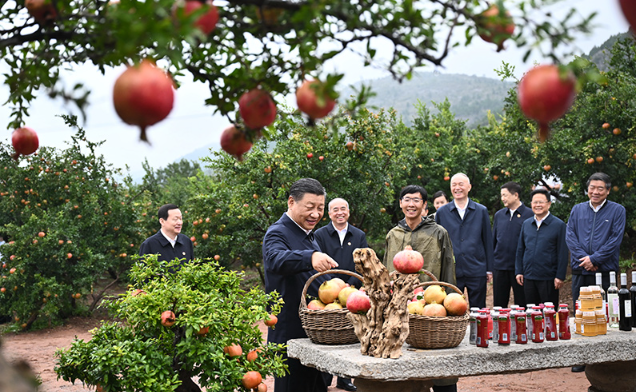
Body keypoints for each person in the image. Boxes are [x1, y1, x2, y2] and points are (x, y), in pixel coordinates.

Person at [262, 178, 338, 392]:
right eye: (310, 207)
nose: (315, 214)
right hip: (290, 334)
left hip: (313, 331)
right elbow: (276, 258)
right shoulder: (277, 232)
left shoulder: (309, 235)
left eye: (320, 208)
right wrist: (310, 257)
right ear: (291, 202)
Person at [384, 185, 456, 392]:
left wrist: (450, 303)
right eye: (407, 199)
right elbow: (387, 270)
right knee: (403, 365)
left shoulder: (438, 233)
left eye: (416, 200)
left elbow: (449, 268)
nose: (411, 204)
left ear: (425, 205)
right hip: (399, 308)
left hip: (431, 308)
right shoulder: (394, 234)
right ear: (400, 203)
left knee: (440, 365)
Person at [565, 173, 625, 373]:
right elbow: (570, 236)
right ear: (587, 189)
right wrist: (586, 260)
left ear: (607, 190)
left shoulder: (617, 210)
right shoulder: (577, 209)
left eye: (600, 188)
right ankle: (582, 356)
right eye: (592, 187)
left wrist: (596, 259)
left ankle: (606, 357)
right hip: (581, 269)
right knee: (581, 312)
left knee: (605, 312)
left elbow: (615, 240)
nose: (595, 192)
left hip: (605, 270)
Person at [315, 197, 367, 392]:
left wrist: (350, 285)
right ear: (329, 214)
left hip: (352, 291)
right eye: (335, 209)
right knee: (329, 333)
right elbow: (319, 264)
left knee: (348, 333)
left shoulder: (358, 234)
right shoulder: (320, 235)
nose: (339, 212)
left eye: (343, 209)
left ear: (348, 211)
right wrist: (334, 286)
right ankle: (325, 378)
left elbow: (363, 263)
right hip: (327, 291)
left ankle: (344, 378)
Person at [435, 173, 493, 309]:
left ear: (469, 187)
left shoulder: (481, 211)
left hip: (476, 267)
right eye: (454, 185)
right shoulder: (442, 212)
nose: (457, 188)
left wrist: (489, 269)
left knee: (478, 309)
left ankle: (477, 331)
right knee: (451, 307)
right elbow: (437, 243)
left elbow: (487, 241)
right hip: (451, 270)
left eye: (461, 184)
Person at [515, 188, 568, 305]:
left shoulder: (558, 225)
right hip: (528, 277)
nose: (537, 205)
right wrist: (519, 271)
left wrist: (560, 276)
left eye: (541, 202)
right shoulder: (526, 224)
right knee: (530, 313)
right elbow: (520, 250)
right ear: (531, 204)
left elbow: (562, 253)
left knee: (548, 314)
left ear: (549, 204)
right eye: (535, 202)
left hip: (548, 278)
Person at [492, 182, 534, 308]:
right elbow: (494, 240)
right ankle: (499, 328)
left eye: (505, 195)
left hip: (520, 269)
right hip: (500, 266)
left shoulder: (529, 215)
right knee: (499, 304)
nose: (502, 198)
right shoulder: (499, 215)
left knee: (522, 304)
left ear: (516, 195)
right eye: (501, 195)